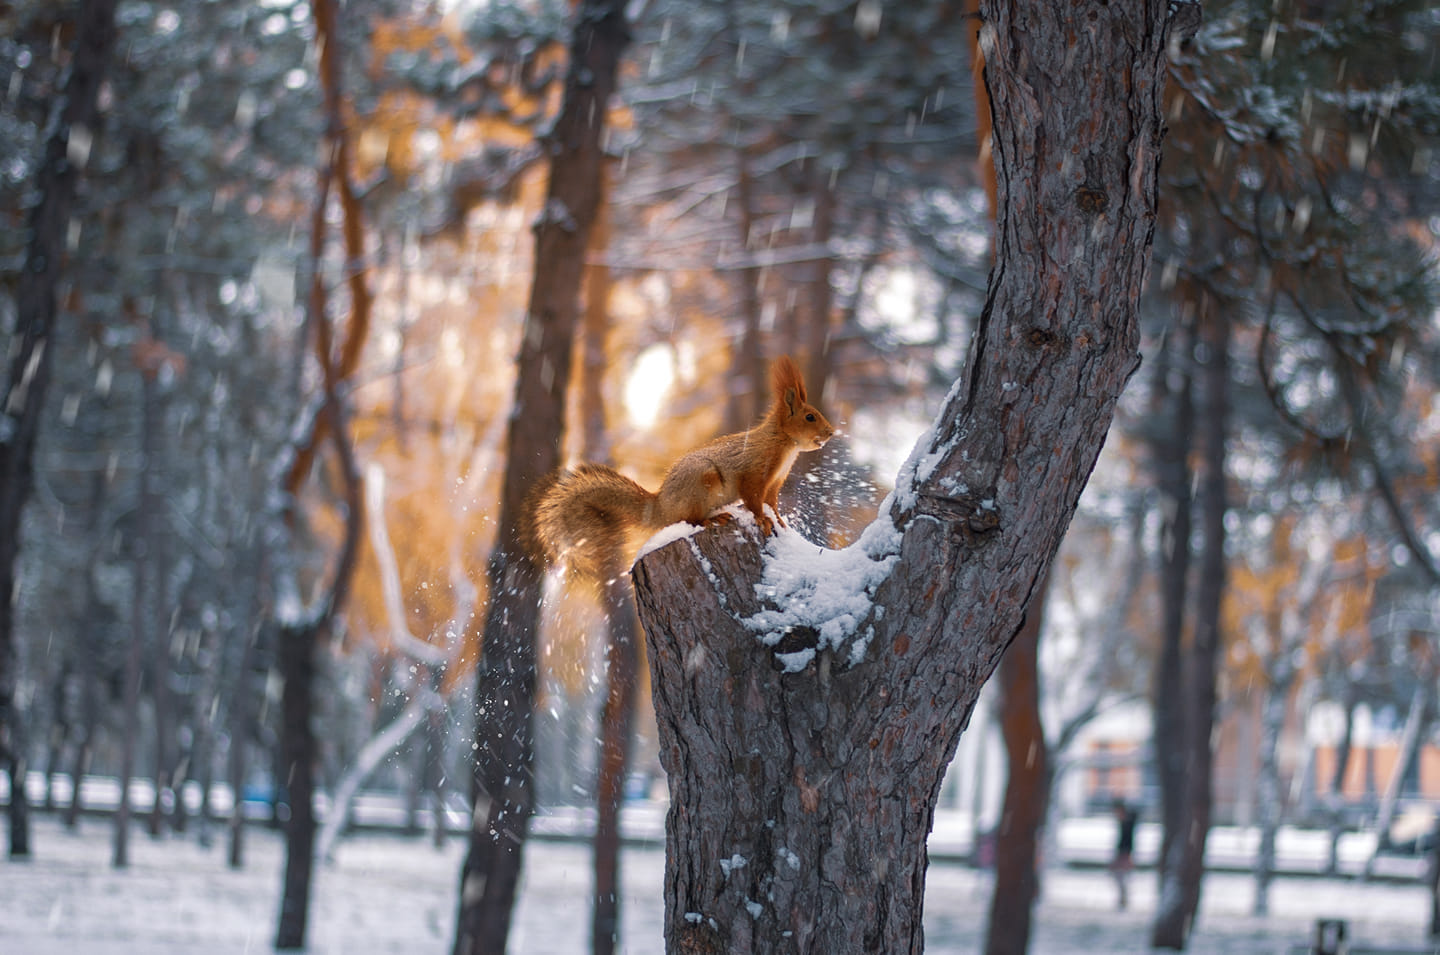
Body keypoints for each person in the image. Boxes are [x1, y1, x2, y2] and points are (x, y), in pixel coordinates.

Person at [1110, 797, 1139, 910]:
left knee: (1121, 877)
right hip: (1122, 853)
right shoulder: (1123, 823)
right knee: (1119, 877)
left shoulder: (1128, 822)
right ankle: (1122, 899)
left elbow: (1127, 841)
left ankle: (1123, 900)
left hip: (1125, 854)